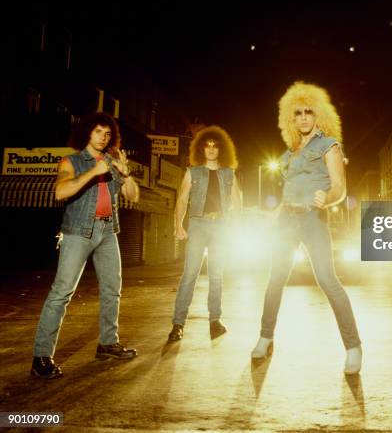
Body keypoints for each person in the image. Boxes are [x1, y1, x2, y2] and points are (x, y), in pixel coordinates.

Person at [251, 81, 362, 374]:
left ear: (318, 115)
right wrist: (272, 215)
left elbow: (340, 186)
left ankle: (353, 346)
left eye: (308, 112)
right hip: (287, 220)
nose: (303, 117)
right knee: (275, 279)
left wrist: (328, 197)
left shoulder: (330, 146)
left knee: (328, 280)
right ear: (291, 117)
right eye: (298, 112)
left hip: (314, 218)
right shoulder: (290, 154)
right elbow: (289, 192)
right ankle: (265, 337)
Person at [31, 112, 140, 378]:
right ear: (87, 134)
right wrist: (94, 171)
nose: (104, 137)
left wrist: (125, 175)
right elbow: (60, 192)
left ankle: (107, 343)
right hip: (78, 232)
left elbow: (133, 197)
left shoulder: (113, 164)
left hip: (107, 231)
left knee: (113, 290)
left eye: (108, 133)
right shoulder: (72, 161)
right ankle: (41, 357)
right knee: (62, 291)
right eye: (98, 132)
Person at [167, 126, 241, 342]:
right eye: (207, 145)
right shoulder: (193, 172)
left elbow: (237, 203)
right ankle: (178, 324)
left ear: (221, 149)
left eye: (215, 145)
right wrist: (178, 225)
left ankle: (215, 321)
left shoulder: (229, 174)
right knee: (190, 274)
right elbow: (182, 199)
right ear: (201, 148)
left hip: (221, 226)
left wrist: (236, 228)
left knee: (216, 276)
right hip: (198, 224)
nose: (210, 149)